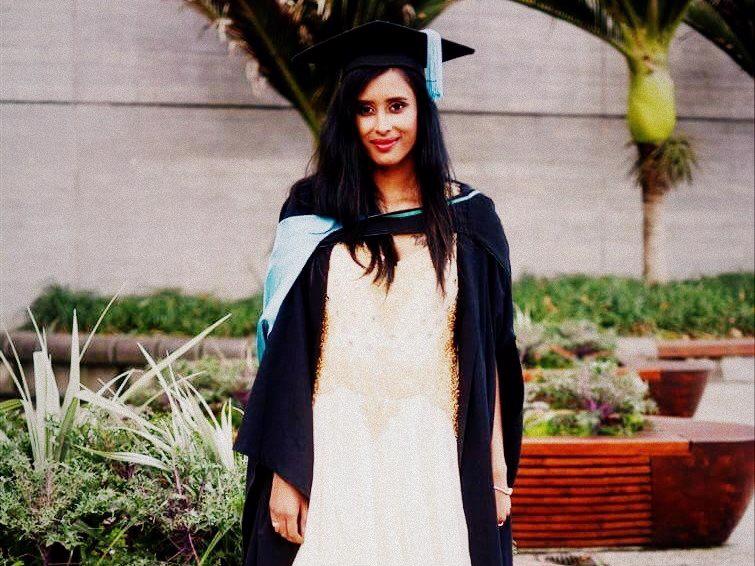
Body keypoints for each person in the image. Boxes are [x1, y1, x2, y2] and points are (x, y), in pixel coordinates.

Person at [233, 20, 525, 566]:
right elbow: (286, 356)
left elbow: (490, 356)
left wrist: (496, 471)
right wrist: (284, 472)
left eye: (397, 106)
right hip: (332, 451)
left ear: (423, 110)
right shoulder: (311, 213)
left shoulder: (471, 219)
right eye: (365, 109)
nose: (382, 124)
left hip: (434, 453)